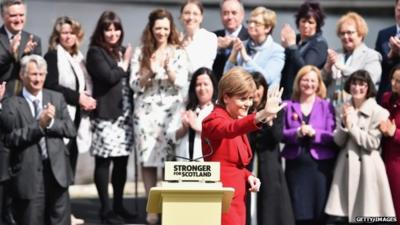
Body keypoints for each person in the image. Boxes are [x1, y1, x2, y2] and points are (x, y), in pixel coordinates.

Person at [201, 67, 286, 225]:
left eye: (250, 98)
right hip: (221, 200)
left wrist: (248, 176)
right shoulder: (213, 120)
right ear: (226, 98)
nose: (248, 103)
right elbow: (229, 130)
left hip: (238, 200)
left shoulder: (235, 119)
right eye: (242, 98)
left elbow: (233, 166)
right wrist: (262, 115)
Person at [0, 54, 76, 225]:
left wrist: (49, 124)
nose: (38, 78)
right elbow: (10, 139)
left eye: (42, 74)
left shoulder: (56, 97)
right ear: (22, 75)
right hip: (28, 177)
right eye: (34, 74)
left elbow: (70, 129)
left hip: (57, 174)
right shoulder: (11, 103)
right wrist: (39, 126)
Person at [129, 8, 189, 225]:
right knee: (148, 160)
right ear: (151, 29)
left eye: (165, 28)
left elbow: (183, 82)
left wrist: (168, 68)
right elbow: (134, 84)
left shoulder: (179, 51)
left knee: (169, 159)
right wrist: (151, 71)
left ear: (171, 28)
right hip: (146, 111)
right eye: (158, 28)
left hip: (171, 111)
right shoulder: (141, 51)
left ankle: (169, 206)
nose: (162, 32)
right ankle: (152, 208)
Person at [44, 16, 96, 225]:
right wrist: (79, 97)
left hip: (75, 121)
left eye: (71, 32)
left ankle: (63, 212)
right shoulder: (52, 56)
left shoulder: (78, 58)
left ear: (77, 36)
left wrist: (88, 98)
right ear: (57, 36)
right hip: (59, 120)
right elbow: (51, 85)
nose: (68, 36)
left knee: (68, 171)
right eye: (64, 32)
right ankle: (59, 214)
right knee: (58, 171)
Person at [325, 70, 395, 223]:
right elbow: (338, 141)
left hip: (368, 170)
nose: (357, 88)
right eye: (354, 84)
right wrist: (344, 123)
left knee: (367, 215)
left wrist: (351, 126)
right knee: (340, 217)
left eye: (362, 84)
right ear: (349, 86)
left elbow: (373, 143)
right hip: (345, 169)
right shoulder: (343, 108)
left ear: (368, 87)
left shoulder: (380, 112)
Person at [86, 11, 134, 224]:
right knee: (104, 163)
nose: (113, 33)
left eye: (116, 28)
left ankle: (118, 205)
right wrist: (124, 64)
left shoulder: (121, 51)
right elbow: (110, 76)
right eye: (108, 29)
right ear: (101, 31)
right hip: (105, 115)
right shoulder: (95, 52)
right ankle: (105, 210)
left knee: (122, 163)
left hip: (124, 115)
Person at [282, 65, 336, 225]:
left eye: (313, 80)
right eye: (305, 80)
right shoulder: (288, 105)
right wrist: (296, 132)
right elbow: (281, 134)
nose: (309, 84)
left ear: (319, 84)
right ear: (298, 82)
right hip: (296, 167)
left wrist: (315, 133)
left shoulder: (326, 106)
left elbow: (333, 135)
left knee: (319, 212)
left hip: (319, 167)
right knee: (297, 211)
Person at [247, 72, 295, 225]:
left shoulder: (277, 110)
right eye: (251, 87)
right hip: (249, 167)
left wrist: (269, 120)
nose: (255, 91)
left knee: (270, 211)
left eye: (258, 87)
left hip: (269, 168)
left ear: (264, 89)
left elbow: (276, 137)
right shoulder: (244, 111)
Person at [322, 12, 382, 107]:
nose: (345, 36)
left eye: (350, 32)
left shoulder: (372, 56)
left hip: (358, 110)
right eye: (342, 33)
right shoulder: (336, 54)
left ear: (361, 34)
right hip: (332, 109)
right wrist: (327, 68)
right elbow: (321, 83)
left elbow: (369, 80)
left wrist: (342, 68)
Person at [224, 6, 284, 86]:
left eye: (256, 23)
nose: (251, 25)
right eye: (250, 22)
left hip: (265, 97)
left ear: (267, 28)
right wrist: (234, 54)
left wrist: (246, 58)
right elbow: (226, 76)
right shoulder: (242, 45)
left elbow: (266, 78)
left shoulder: (277, 51)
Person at [279, 1, 328, 100]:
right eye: (303, 21)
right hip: (285, 95)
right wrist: (285, 48)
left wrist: (292, 47)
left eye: (311, 22)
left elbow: (306, 70)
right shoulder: (295, 39)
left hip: (303, 98)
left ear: (317, 25)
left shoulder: (320, 44)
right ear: (298, 22)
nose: (306, 25)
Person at [168, 67, 217, 161]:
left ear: (213, 86)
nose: (202, 88)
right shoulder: (184, 107)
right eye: (198, 84)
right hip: (183, 166)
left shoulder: (218, 110)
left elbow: (222, 137)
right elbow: (169, 137)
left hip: (207, 167)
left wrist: (198, 127)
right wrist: (183, 129)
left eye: (206, 84)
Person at [0, 0, 41, 97]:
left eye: (21, 15)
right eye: (13, 16)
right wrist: (9, 53)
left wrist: (25, 55)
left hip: (25, 101)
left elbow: (36, 73)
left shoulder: (34, 40)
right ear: (3, 16)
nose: (18, 20)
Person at [379, 64, 400, 222]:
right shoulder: (386, 99)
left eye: (398, 81)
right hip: (384, 159)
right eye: (392, 79)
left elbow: (392, 131)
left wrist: (395, 133)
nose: (394, 84)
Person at [212, 0, 249, 82]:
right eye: (225, 13)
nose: (229, 17)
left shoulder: (251, 37)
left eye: (234, 13)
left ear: (242, 15)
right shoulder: (213, 37)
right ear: (221, 15)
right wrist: (216, 47)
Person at [180, 0, 217, 73]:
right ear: (181, 16)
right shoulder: (177, 40)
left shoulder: (209, 38)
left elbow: (199, 69)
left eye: (195, 14)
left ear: (201, 18)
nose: (190, 17)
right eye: (187, 13)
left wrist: (184, 49)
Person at [375, 0, 400, 102]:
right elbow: (377, 66)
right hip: (386, 96)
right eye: (399, 10)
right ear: (395, 9)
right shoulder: (383, 34)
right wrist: (391, 54)